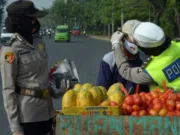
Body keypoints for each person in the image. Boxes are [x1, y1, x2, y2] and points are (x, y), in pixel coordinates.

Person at [0, 1, 71, 135]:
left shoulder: (40, 44)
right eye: (32, 18)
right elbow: (8, 90)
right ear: (21, 22)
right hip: (28, 116)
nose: (35, 21)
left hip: (47, 111)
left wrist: (59, 90)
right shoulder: (10, 50)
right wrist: (15, 128)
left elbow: (42, 78)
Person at [111, 20, 179, 91]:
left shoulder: (151, 71)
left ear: (145, 48)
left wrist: (116, 45)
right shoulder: (178, 44)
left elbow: (125, 71)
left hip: (171, 99)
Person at [96, 23, 149, 94]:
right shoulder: (109, 60)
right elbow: (101, 90)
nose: (136, 42)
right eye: (133, 39)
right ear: (123, 39)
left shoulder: (143, 64)